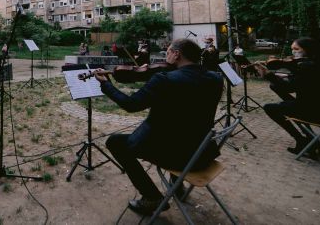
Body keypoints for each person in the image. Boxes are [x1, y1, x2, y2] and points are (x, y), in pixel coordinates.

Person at [94, 38, 223, 215]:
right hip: (202, 153)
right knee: (181, 131)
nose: (165, 55)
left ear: (177, 54)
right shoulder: (215, 78)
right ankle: (177, 187)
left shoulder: (164, 80)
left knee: (115, 142)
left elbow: (131, 105)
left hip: (178, 157)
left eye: (168, 51)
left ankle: (152, 198)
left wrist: (105, 84)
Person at [254, 37, 320, 158]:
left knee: (270, 108)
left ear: (309, 50)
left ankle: (301, 140)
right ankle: (313, 141)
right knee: (276, 89)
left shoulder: (309, 68)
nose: (293, 53)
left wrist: (268, 75)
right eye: (292, 49)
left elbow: (289, 88)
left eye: (296, 49)